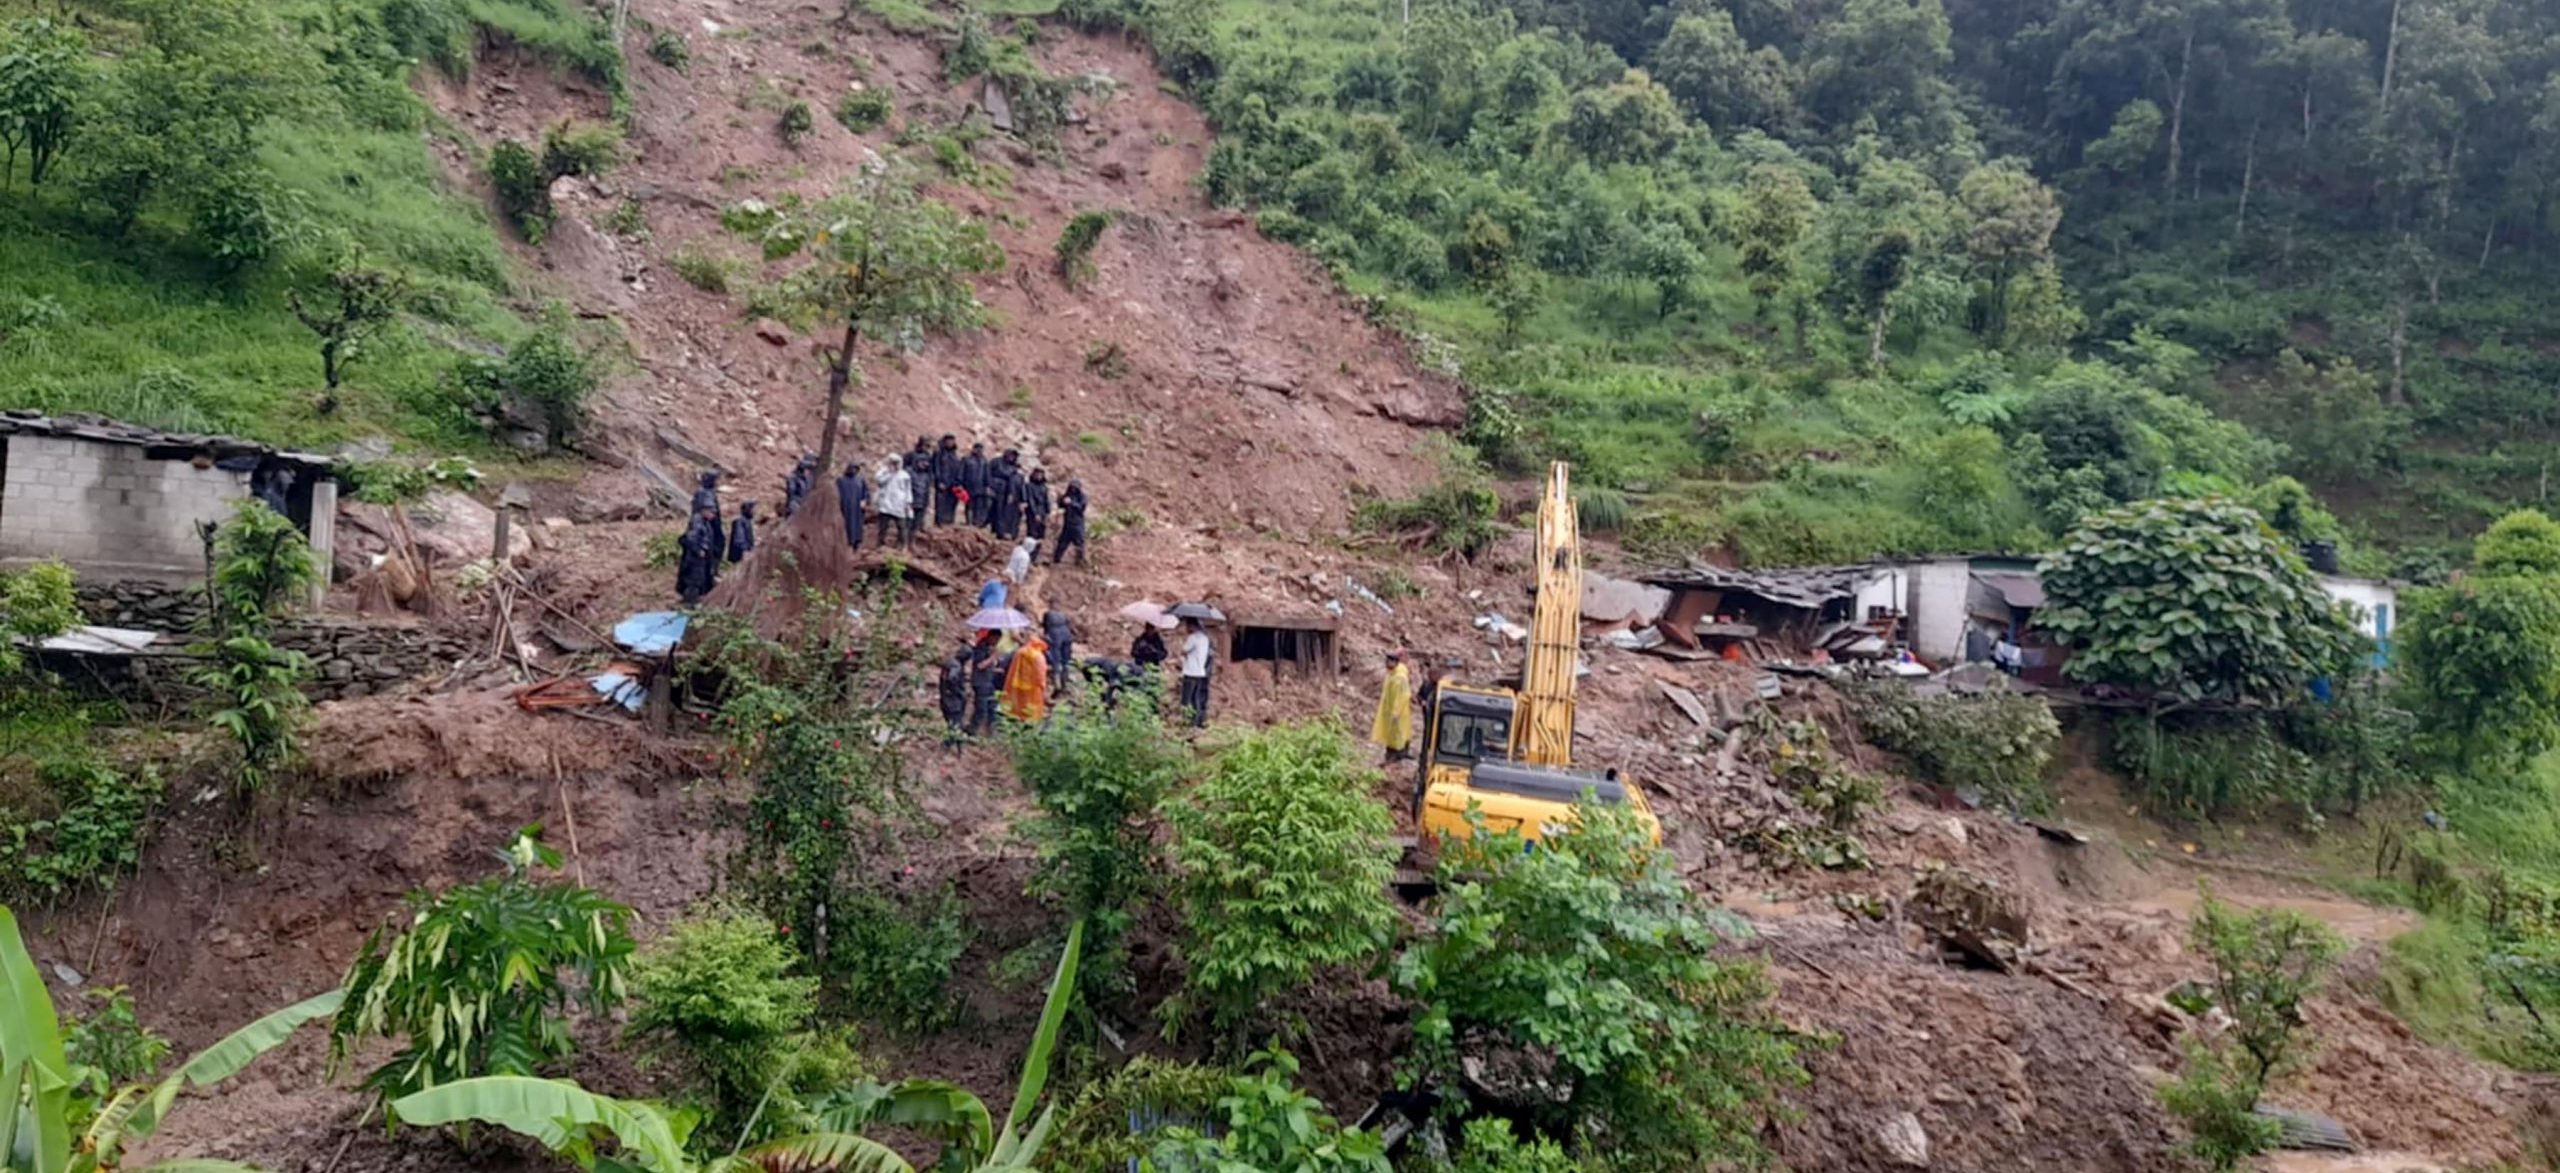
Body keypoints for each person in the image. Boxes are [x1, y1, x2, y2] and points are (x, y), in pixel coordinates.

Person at [1372, 650, 1414, 763]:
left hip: (1398, 711)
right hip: (1390, 708)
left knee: (1398, 733)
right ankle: (1391, 752)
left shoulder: (1399, 678)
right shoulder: (1391, 674)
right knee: (1392, 732)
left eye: (1389, 661)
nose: (1387, 663)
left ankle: (1398, 754)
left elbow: (1402, 696)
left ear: (1395, 662)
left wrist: (1396, 711)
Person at [676, 505, 723, 605]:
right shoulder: (697, 522)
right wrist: (699, 550)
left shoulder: (705, 523)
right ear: (705, 511)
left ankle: (693, 599)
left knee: (700, 580)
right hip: (695, 560)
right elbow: (691, 538)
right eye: (712, 513)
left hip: (701, 559)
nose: (713, 516)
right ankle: (689, 602)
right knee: (694, 581)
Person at [1002, 630, 1051, 723]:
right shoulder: (1038, 656)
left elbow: (1011, 670)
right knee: (1032, 710)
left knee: (1017, 707)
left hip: (1016, 685)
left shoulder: (1019, 652)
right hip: (1033, 688)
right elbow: (1040, 674)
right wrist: (1043, 686)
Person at [1178, 617, 1212, 729]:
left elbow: (1183, 650)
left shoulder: (1192, 638)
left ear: (1192, 626)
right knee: (1195, 698)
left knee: (1186, 699)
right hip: (1200, 672)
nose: (1186, 628)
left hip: (1190, 672)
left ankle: (1186, 722)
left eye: (1187, 626)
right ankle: (1196, 722)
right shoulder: (1205, 638)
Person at [875, 456, 914, 548]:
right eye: (893, 462)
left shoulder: (905, 475)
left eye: (896, 463)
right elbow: (879, 482)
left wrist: (908, 503)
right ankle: (880, 545)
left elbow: (908, 490)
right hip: (886, 505)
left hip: (899, 505)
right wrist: (889, 473)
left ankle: (902, 545)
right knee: (883, 527)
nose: (895, 465)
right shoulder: (883, 472)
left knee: (902, 527)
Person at [968, 639, 1004, 736]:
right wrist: (993, 657)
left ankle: (992, 730)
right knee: (981, 708)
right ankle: (972, 730)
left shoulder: (989, 649)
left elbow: (988, 667)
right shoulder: (980, 649)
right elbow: (980, 666)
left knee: (993, 706)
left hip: (989, 682)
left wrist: (996, 669)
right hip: (981, 683)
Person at [938, 642, 972, 741]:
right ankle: (951, 744)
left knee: (952, 724)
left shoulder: (949, 662)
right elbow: (951, 678)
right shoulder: (956, 666)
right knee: (956, 724)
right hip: (953, 700)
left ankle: (950, 743)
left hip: (945, 697)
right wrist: (959, 692)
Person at [1051, 478, 1088, 566]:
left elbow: (1081, 507)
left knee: (1079, 543)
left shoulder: (1082, 497)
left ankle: (1079, 561)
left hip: (1077, 524)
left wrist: (1071, 503)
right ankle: (1056, 559)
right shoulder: (1068, 495)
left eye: (1075, 487)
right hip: (1067, 524)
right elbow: (1061, 505)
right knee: (1062, 542)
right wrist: (1060, 499)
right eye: (1072, 487)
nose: (1073, 489)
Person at [989, 450, 1024, 540]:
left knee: (1005, 514)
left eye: (1013, 456)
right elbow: (987, 473)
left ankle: (1004, 532)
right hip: (995, 489)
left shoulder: (1015, 471)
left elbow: (1019, 486)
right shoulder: (997, 462)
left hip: (1008, 494)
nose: (1011, 458)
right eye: (1010, 455)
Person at [835, 461, 869, 549]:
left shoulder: (860, 480)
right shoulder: (841, 480)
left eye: (855, 469)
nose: (853, 470)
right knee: (846, 527)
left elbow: (866, 493)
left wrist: (864, 501)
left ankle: (856, 544)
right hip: (845, 508)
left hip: (857, 509)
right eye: (852, 468)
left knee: (857, 528)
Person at [931, 435, 963, 526]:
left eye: (952, 441)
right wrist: (939, 481)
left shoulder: (955, 454)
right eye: (948, 441)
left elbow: (958, 468)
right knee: (941, 504)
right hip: (942, 482)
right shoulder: (939, 453)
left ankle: (949, 522)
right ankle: (939, 523)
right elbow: (936, 468)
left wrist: (958, 482)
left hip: (953, 484)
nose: (950, 443)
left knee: (952, 503)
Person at [904, 438, 933, 536]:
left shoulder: (926, 473)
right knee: (909, 520)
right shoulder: (910, 456)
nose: (925, 464)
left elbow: (927, 487)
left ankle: (918, 529)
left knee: (919, 516)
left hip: (922, 496)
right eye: (925, 445)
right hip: (911, 497)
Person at [1043, 607, 1075, 696]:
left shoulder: (1047, 614)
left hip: (1055, 635)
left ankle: (1057, 684)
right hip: (1066, 634)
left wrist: (1046, 637)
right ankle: (1065, 683)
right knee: (1066, 660)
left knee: (1055, 659)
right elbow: (1069, 624)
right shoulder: (1062, 614)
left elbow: (1045, 628)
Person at [960, 443, 991, 526]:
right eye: (977, 449)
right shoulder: (966, 459)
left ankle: (976, 522)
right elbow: (961, 472)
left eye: (980, 449)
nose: (979, 451)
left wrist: (988, 485)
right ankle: (969, 521)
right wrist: (960, 483)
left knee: (979, 506)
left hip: (980, 487)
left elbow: (987, 474)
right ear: (973, 449)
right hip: (968, 486)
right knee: (969, 504)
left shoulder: (984, 461)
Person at [780, 454, 816, 519]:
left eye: (810, 469)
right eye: (807, 468)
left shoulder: (810, 478)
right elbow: (791, 494)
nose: (808, 471)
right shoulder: (794, 478)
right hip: (796, 505)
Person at [1023, 467, 1053, 543]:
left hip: (1042, 511)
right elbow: (1030, 500)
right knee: (1032, 532)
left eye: (1040, 474)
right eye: (1037, 474)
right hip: (1032, 512)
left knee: (1041, 533)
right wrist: (1035, 513)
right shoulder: (1029, 486)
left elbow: (1046, 500)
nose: (1039, 476)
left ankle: (1037, 547)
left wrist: (1048, 512)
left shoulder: (1044, 487)